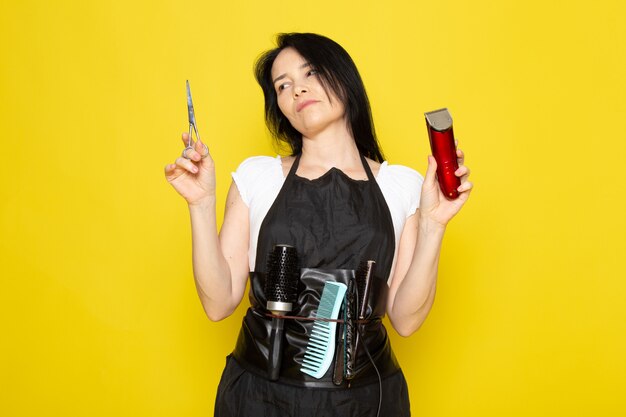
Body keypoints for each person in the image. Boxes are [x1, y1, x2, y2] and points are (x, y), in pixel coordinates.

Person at [164, 33, 472, 417]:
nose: (297, 89)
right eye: (283, 85)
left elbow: (407, 320)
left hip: (365, 403)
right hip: (260, 400)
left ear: (343, 78)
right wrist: (201, 203)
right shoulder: (257, 178)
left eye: (310, 72)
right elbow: (217, 302)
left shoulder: (401, 186)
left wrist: (433, 225)